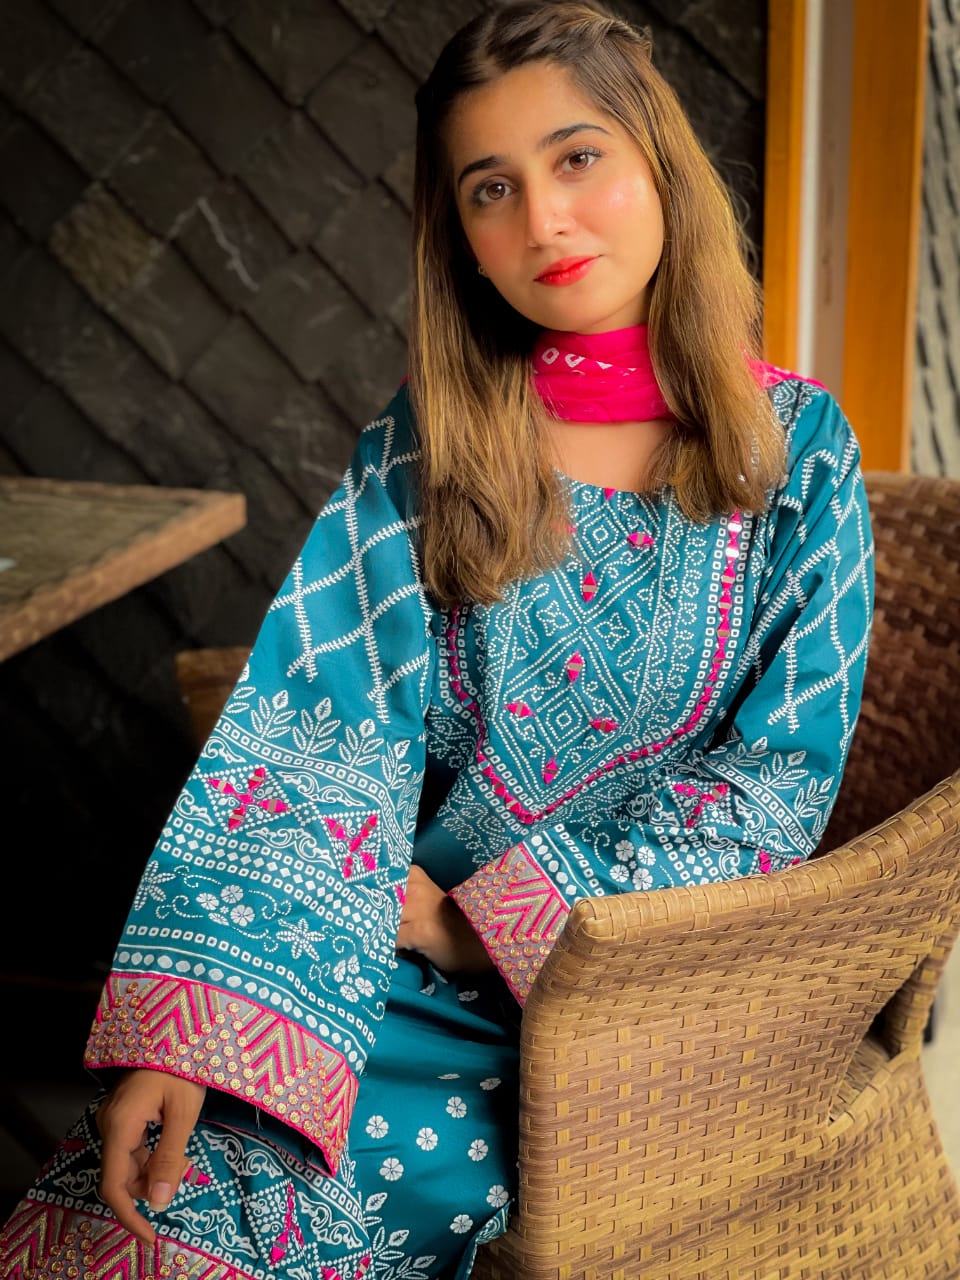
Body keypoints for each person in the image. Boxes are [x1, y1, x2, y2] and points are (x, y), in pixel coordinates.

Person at [0, 2, 874, 1277]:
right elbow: (314, 724)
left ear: (658, 167)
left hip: (632, 1011)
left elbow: (775, 790)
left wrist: (485, 921)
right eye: (491, 189)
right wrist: (189, 1037)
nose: (544, 222)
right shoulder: (430, 446)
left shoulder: (797, 454)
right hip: (361, 968)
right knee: (118, 1225)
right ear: (459, 237)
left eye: (578, 159)